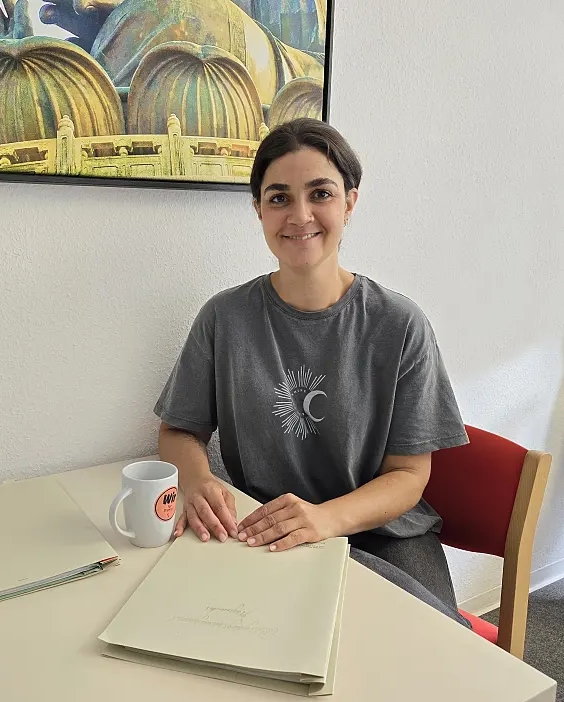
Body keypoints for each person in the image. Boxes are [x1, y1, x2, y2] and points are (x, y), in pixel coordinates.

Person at [154, 118, 472, 628]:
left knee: (428, 650)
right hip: (267, 525)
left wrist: (325, 519)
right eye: (278, 197)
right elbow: (178, 429)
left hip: (384, 533)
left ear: (349, 202)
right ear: (258, 209)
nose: (299, 215)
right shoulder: (224, 318)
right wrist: (195, 480)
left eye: (319, 193)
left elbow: (410, 476)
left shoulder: (400, 324)